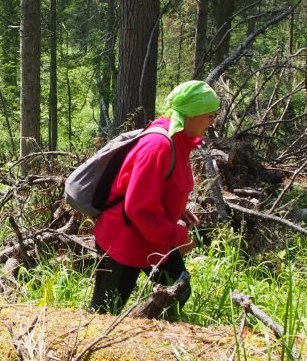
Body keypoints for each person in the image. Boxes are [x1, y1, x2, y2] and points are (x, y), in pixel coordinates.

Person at [88, 80, 221, 317]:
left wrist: (176, 209)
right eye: (209, 115)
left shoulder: (179, 140)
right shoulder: (159, 145)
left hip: (150, 237)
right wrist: (177, 237)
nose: (213, 121)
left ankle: (149, 334)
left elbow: (159, 184)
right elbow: (138, 208)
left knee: (178, 288)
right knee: (103, 314)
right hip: (123, 241)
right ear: (191, 114)